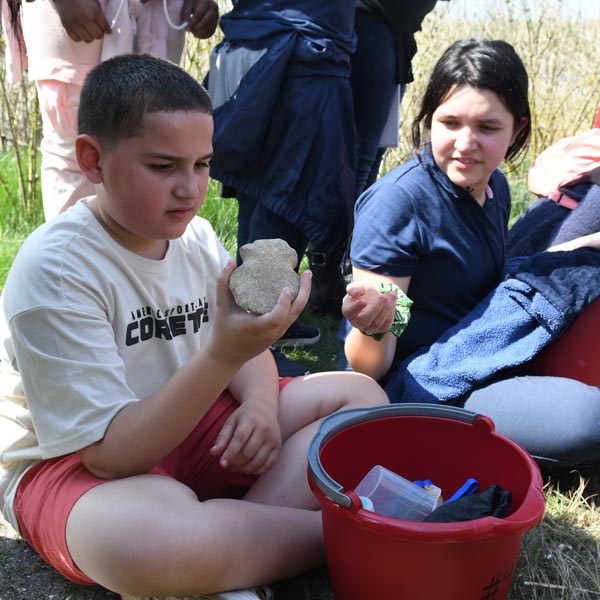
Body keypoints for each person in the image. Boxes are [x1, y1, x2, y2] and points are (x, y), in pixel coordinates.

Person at [0, 54, 389, 599]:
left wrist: (258, 406)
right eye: (162, 167)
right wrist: (224, 358)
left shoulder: (196, 236)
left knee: (360, 398)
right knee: (145, 544)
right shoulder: (58, 271)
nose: (189, 188)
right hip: (75, 464)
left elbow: (241, 340)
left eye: (202, 164)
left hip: (194, 422)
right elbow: (110, 456)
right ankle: (356, 537)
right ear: (92, 159)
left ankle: (232, 547)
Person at [341, 39, 600, 467]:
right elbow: (369, 365)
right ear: (428, 120)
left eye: (487, 128)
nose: (465, 143)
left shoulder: (492, 187)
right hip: (423, 383)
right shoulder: (399, 206)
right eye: (450, 122)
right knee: (591, 420)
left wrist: (582, 245)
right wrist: (376, 326)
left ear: (517, 129)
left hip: (484, 347)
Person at [208, 0, 357, 347]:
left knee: (260, 188)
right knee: (289, 195)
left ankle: (257, 321)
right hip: (304, 52)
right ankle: (259, 333)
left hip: (254, 41)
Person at [1, 0, 219, 221]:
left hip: (160, 15)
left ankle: (142, 252)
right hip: (79, 17)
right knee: (73, 153)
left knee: (158, 145)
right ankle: (72, 254)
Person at [308, 0, 447, 317]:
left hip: (394, 38)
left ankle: (347, 277)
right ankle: (331, 281)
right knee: (355, 167)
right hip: (367, 29)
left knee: (366, 168)